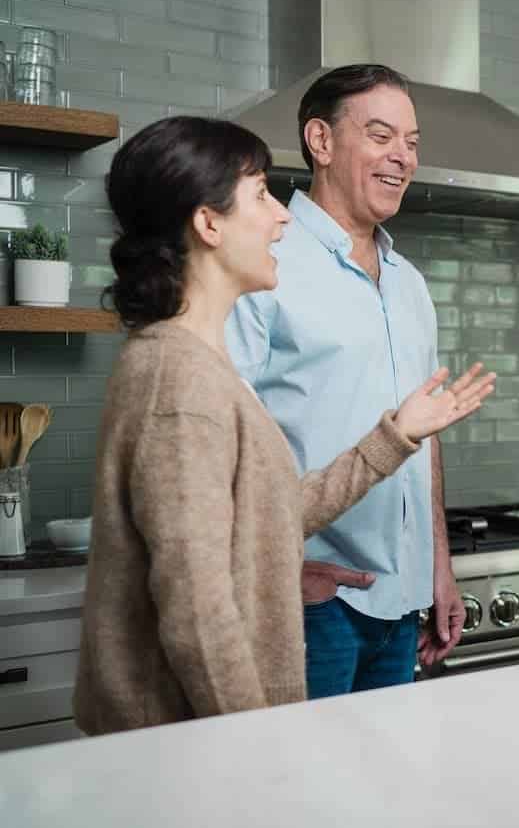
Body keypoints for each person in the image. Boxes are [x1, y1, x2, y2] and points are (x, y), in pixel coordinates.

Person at [76, 116, 495, 735]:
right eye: (261, 195)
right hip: (188, 748)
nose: (282, 216)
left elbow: (264, 513)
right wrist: (258, 744)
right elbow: (197, 606)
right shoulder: (178, 382)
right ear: (209, 224)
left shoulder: (196, 365)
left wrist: (398, 435)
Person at [226, 64, 469, 697]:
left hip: (403, 602)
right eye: (381, 136)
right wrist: (278, 571)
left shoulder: (409, 283)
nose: (402, 157)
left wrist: (437, 567)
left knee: (387, 765)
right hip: (311, 603)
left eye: (411, 142)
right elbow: (221, 441)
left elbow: (424, 437)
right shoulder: (264, 263)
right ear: (322, 141)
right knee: (299, 765)